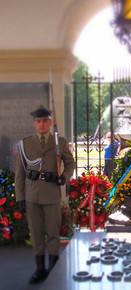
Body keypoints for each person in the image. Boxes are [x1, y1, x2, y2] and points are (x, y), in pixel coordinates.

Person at [15, 105, 75, 284]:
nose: (41, 124)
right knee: (36, 232)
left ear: (50, 122)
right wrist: (20, 196)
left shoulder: (60, 142)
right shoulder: (25, 143)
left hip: (51, 193)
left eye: (44, 121)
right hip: (32, 194)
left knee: (53, 232)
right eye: (38, 121)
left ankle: (54, 267)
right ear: (34, 123)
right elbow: (20, 173)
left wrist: (63, 177)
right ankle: (40, 268)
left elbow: (70, 164)